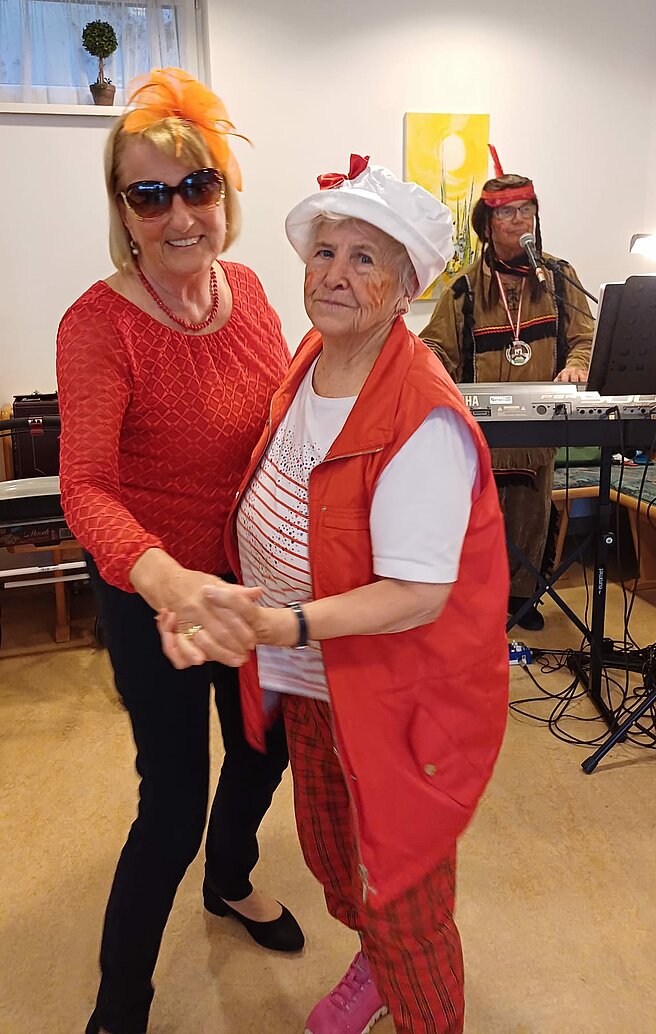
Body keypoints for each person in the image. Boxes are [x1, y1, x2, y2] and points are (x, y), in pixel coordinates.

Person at [159, 155, 510, 1034]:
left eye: (364, 258)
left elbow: (417, 595)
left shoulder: (420, 415)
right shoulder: (312, 355)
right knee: (334, 854)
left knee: (402, 891)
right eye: (325, 252)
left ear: (405, 288)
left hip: (393, 698)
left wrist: (283, 623)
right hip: (316, 684)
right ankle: (372, 961)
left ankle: (412, 990)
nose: (334, 274)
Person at [56, 67, 304, 1034]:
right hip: (149, 586)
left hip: (249, 579)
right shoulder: (98, 325)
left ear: (224, 193)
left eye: (195, 186)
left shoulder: (251, 291)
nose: (178, 214)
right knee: (169, 807)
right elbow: (85, 488)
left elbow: (278, 426)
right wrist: (169, 582)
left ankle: (230, 878)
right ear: (123, 212)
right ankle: (120, 1006)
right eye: (148, 195)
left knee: (265, 747)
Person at [420, 168, 595, 630]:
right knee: (479, 521)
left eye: (526, 210)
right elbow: (435, 348)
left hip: (539, 434)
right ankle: (476, 602)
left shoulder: (560, 278)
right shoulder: (464, 288)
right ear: (486, 223)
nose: (519, 220)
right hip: (481, 436)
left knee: (531, 515)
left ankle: (522, 600)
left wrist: (577, 365)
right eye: (507, 213)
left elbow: (585, 336)